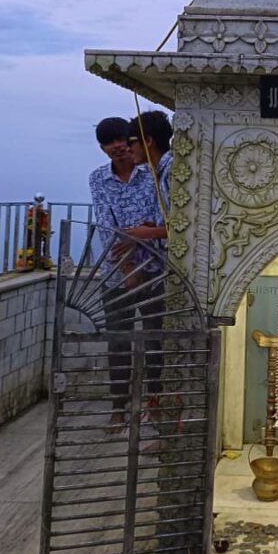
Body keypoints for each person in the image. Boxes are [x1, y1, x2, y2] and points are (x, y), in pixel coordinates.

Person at [89, 117, 159, 431]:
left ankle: (154, 406)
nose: (117, 147)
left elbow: (156, 219)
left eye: (121, 140)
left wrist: (138, 245)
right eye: (109, 143)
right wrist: (129, 270)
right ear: (103, 149)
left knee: (157, 341)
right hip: (117, 276)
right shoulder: (98, 179)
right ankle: (119, 407)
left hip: (157, 271)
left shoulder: (152, 174)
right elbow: (107, 228)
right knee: (118, 342)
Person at [125, 110, 173, 242]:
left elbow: (189, 225)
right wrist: (155, 227)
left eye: (130, 142)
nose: (127, 149)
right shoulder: (160, 171)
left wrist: (151, 232)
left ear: (148, 141)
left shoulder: (173, 172)